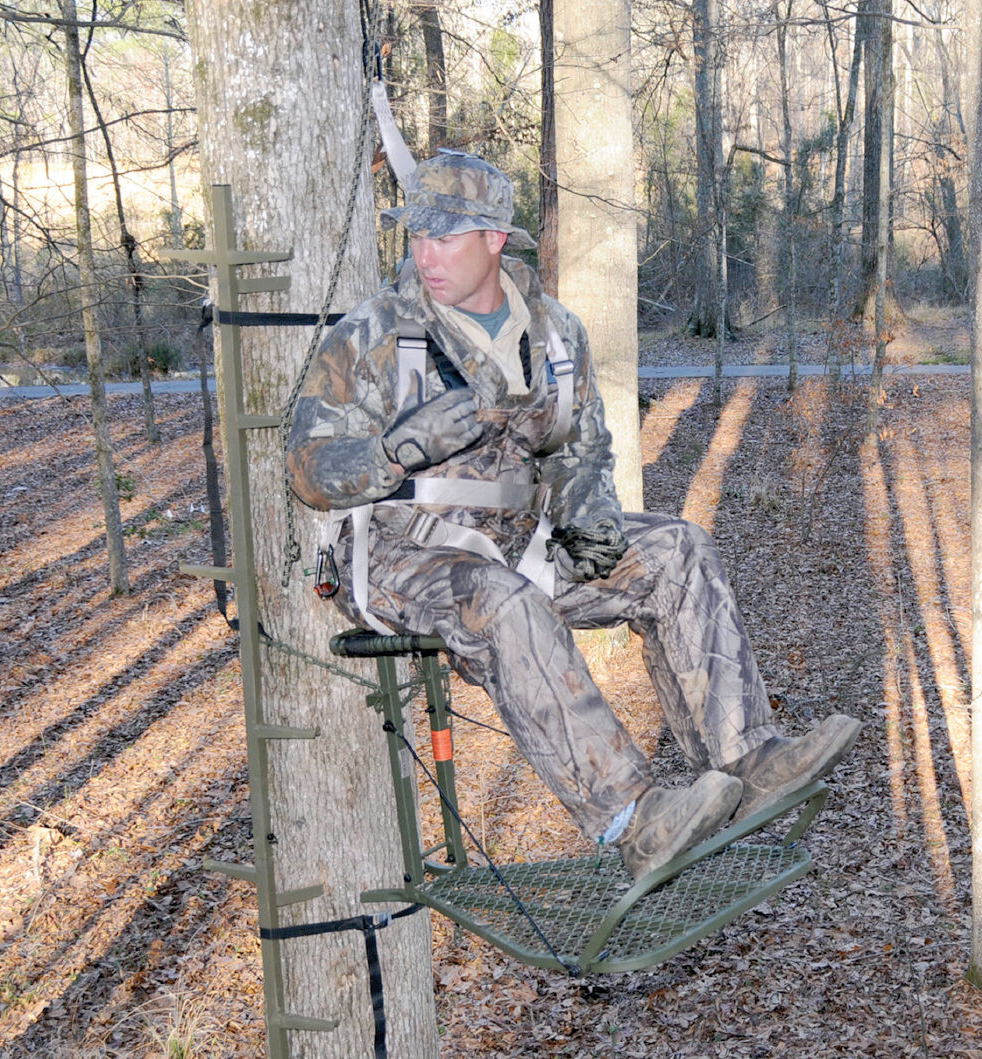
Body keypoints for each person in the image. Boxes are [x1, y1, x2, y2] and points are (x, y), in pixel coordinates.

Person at [287, 151, 859, 880]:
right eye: (415, 237)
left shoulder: (555, 333)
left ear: (495, 239)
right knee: (504, 601)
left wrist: (589, 520)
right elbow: (307, 472)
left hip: (517, 545)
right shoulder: (373, 334)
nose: (424, 253)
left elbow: (580, 447)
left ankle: (747, 760)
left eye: (444, 236)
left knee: (676, 548)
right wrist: (396, 448)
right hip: (402, 557)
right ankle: (632, 817)